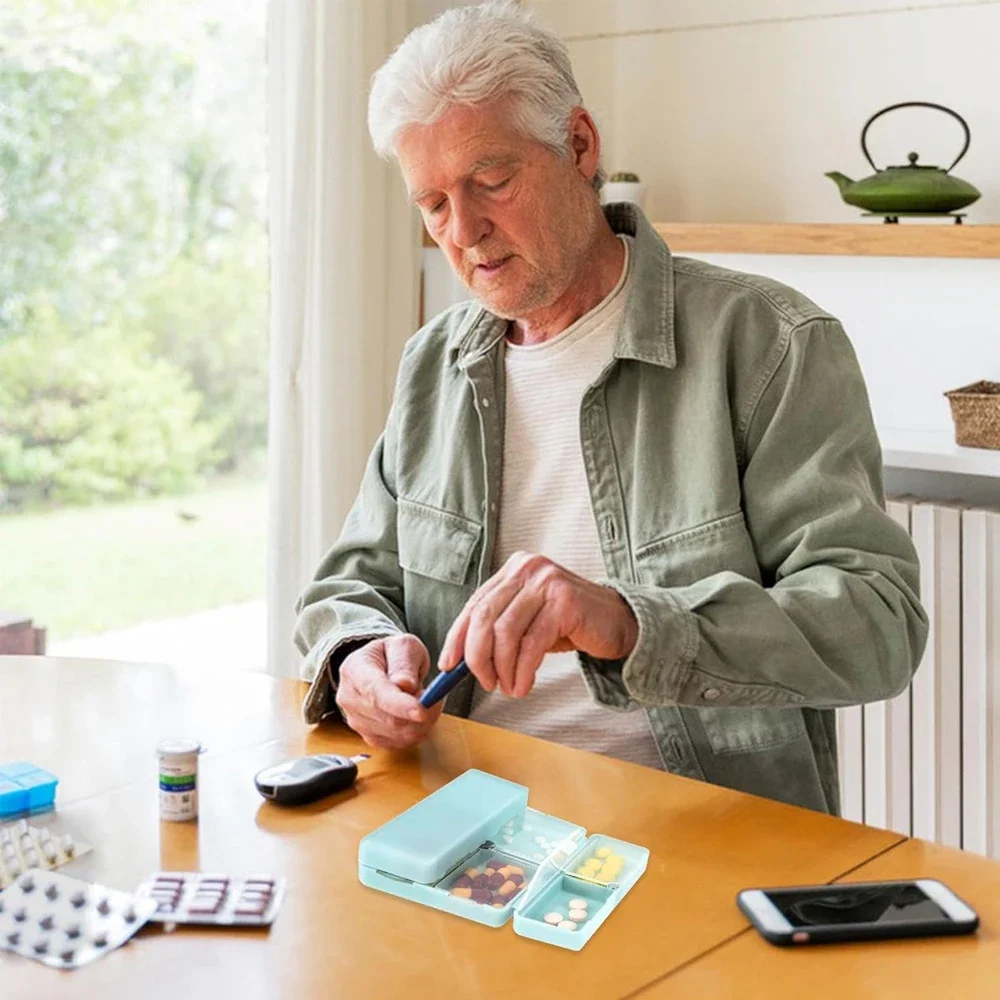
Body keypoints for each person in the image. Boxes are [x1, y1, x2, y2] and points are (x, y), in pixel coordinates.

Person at [294, 1, 927, 813]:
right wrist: (358, 656)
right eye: (433, 204)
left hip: (698, 825)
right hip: (463, 817)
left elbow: (878, 626)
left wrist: (628, 623)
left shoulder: (769, 342)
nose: (466, 231)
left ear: (580, 146)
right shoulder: (435, 366)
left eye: (492, 181)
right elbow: (350, 582)